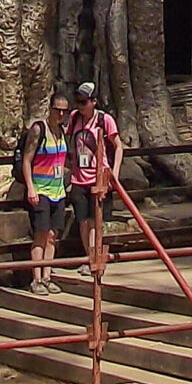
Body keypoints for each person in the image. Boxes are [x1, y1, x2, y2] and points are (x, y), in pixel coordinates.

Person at [14, 90, 74, 291]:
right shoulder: (39, 130)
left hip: (58, 191)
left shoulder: (62, 133)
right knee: (40, 235)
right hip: (40, 190)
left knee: (52, 235)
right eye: (57, 110)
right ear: (50, 109)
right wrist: (31, 188)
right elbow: (27, 160)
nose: (61, 115)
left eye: (64, 111)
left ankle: (48, 276)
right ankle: (36, 278)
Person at [66, 81, 122, 256]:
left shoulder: (104, 120)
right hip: (78, 178)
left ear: (94, 101)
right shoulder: (75, 118)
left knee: (95, 220)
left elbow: (118, 146)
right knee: (83, 220)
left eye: (84, 102)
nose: (80, 106)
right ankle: (90, 255)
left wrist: (114, 174)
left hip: (98, 177)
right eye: (78, 101)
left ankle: (94, 256)